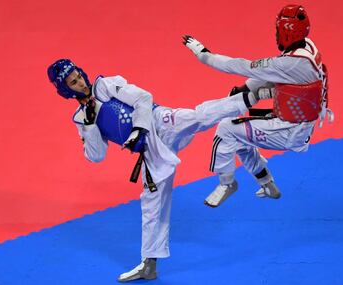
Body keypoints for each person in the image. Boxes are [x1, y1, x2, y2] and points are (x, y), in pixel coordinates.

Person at [47, 59, 266, 282]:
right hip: (149, 151)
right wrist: (92, 124)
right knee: (151, 205)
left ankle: (254, 95)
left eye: (78, 75)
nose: (81, 82)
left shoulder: (105, 85)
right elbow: (96, 156)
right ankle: (149, 264)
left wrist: (138, 130)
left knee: (198, 116)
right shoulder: (81, 119)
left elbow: (143, 97)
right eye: (73, 82)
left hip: (159, 121)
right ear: (66, 90)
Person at [183, 4, 334, 207]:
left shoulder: (290, 63)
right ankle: (267, 184)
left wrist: (204, 55)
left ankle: (226, 184)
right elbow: (273, 76)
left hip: (287, 131)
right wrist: (244, 88)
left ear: (287, 33)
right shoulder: (305, 48)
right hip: (297, 123)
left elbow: (241, 66)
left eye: (278, 30)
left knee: (225, 130)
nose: (275, 34)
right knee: (240, 134)